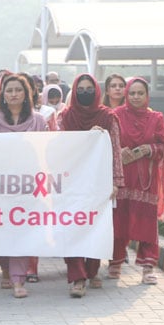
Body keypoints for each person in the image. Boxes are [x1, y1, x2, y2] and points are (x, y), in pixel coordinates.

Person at [0, 74, 48, 298]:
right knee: (3, 231)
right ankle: (6, 270)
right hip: (1, 188)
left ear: (26, 93)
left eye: (18, 90)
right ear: (3, 95)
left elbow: (46, 151)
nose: (13, 94)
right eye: (9, 90)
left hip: (28, 188)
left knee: (22, 231)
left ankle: (19, 280)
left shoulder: (38, 121)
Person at [59, 73, 124, 298]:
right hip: (71, 182)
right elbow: (59, 147)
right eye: (80, 89)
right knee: (72, 227)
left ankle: (92, 270)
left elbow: (115, 150)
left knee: (95, 226)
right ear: (74, 92)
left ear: (96, 92)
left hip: (98, 182)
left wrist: (116, 181)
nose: (84, 93)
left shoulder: (108, 117)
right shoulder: (65, 117)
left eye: (89, 89)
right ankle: (77, 277)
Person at [110, 77, 164, 285]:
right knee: (119, 220)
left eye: (140, 93)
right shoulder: (116, 115)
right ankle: (115, 263)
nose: (136, 97)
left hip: (146, 179)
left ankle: (148, 268)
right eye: (132, 93)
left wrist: (149, 149)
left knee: (146, 222)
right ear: (126, 95)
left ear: (147, 96)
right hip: (122, 178)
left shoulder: (156, 118)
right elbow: (106, 143)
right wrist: (118, 152)